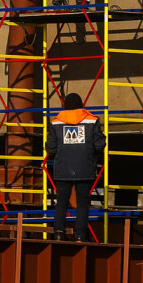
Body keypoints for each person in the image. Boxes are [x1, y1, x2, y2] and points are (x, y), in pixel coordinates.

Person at [45, 92, 105, 240]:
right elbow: (99, 145)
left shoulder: (56, 123)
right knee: (83, 202)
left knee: (62, 201)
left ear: (65, 106)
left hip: (63, 167)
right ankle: (80, 236)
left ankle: (58, 234)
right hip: (85, 167)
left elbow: (50, 149)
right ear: (81, 105)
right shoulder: (92, 120)